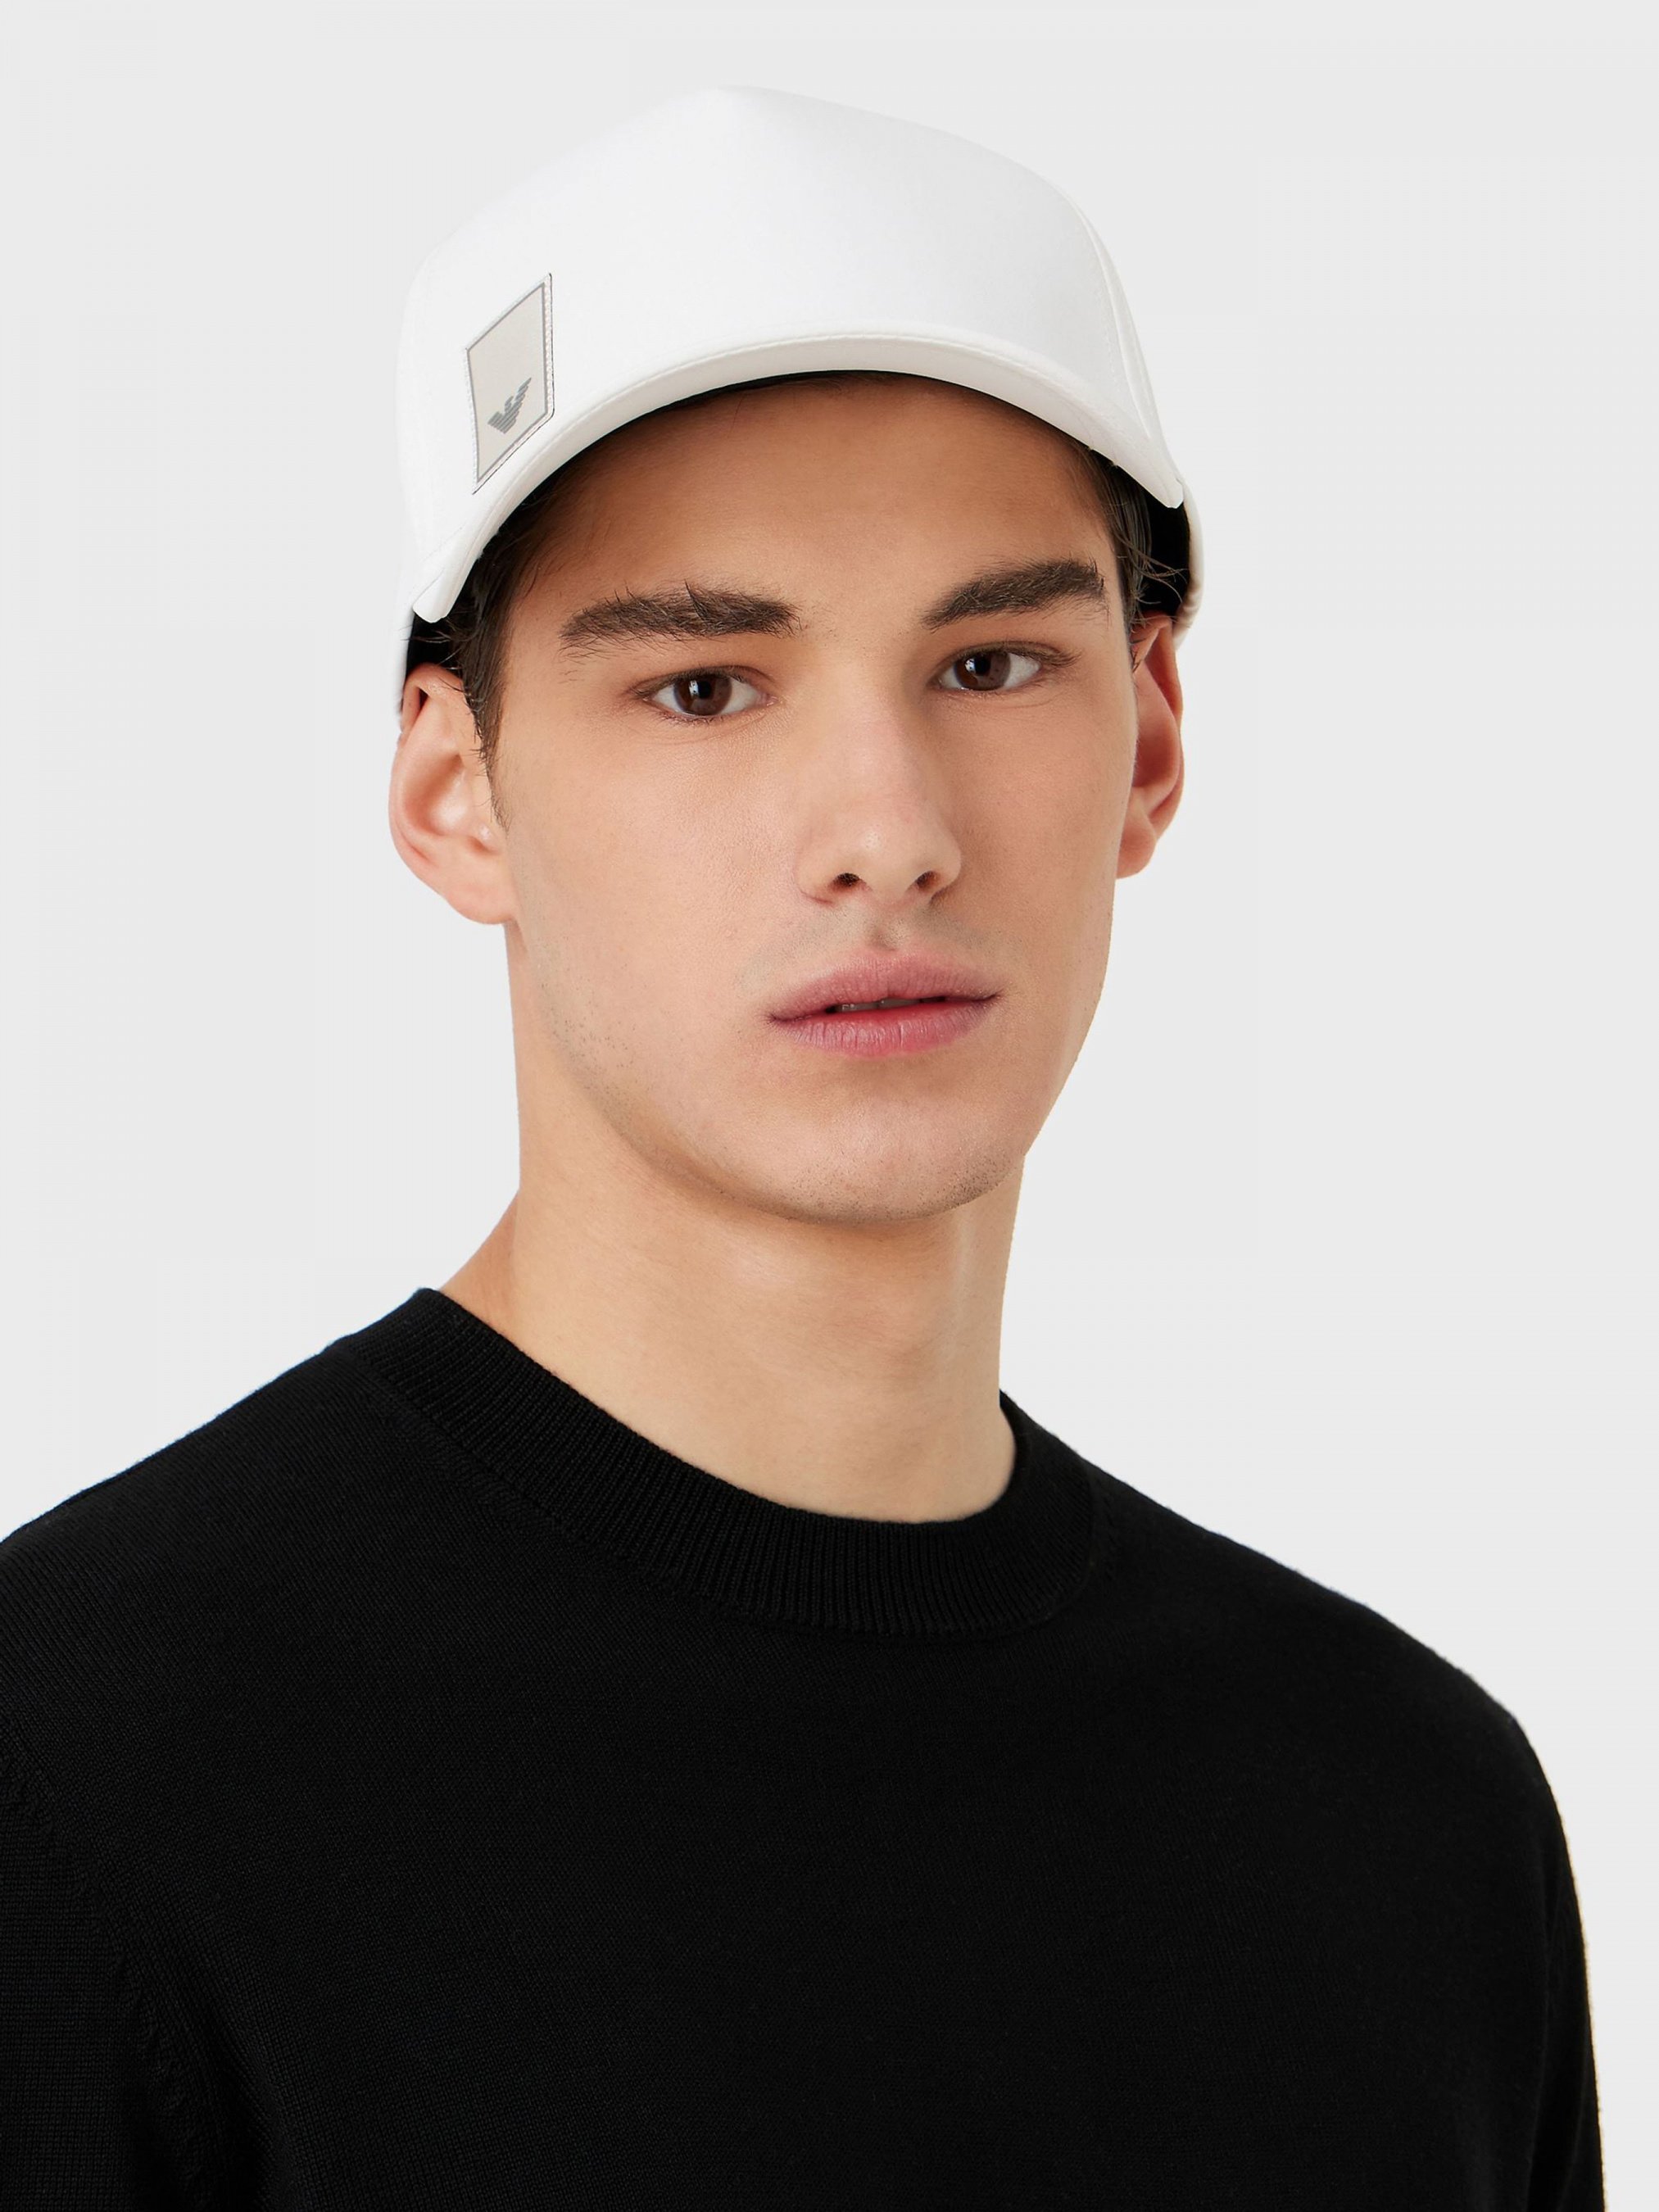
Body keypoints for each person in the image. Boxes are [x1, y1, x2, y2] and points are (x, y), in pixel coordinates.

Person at [0, 85, 1602, 2208]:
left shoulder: (1408, 1823)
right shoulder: (79, 1783)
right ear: (456, 794)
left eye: (990, 661)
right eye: (703, 686)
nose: (887, 830)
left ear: (1149, 739)